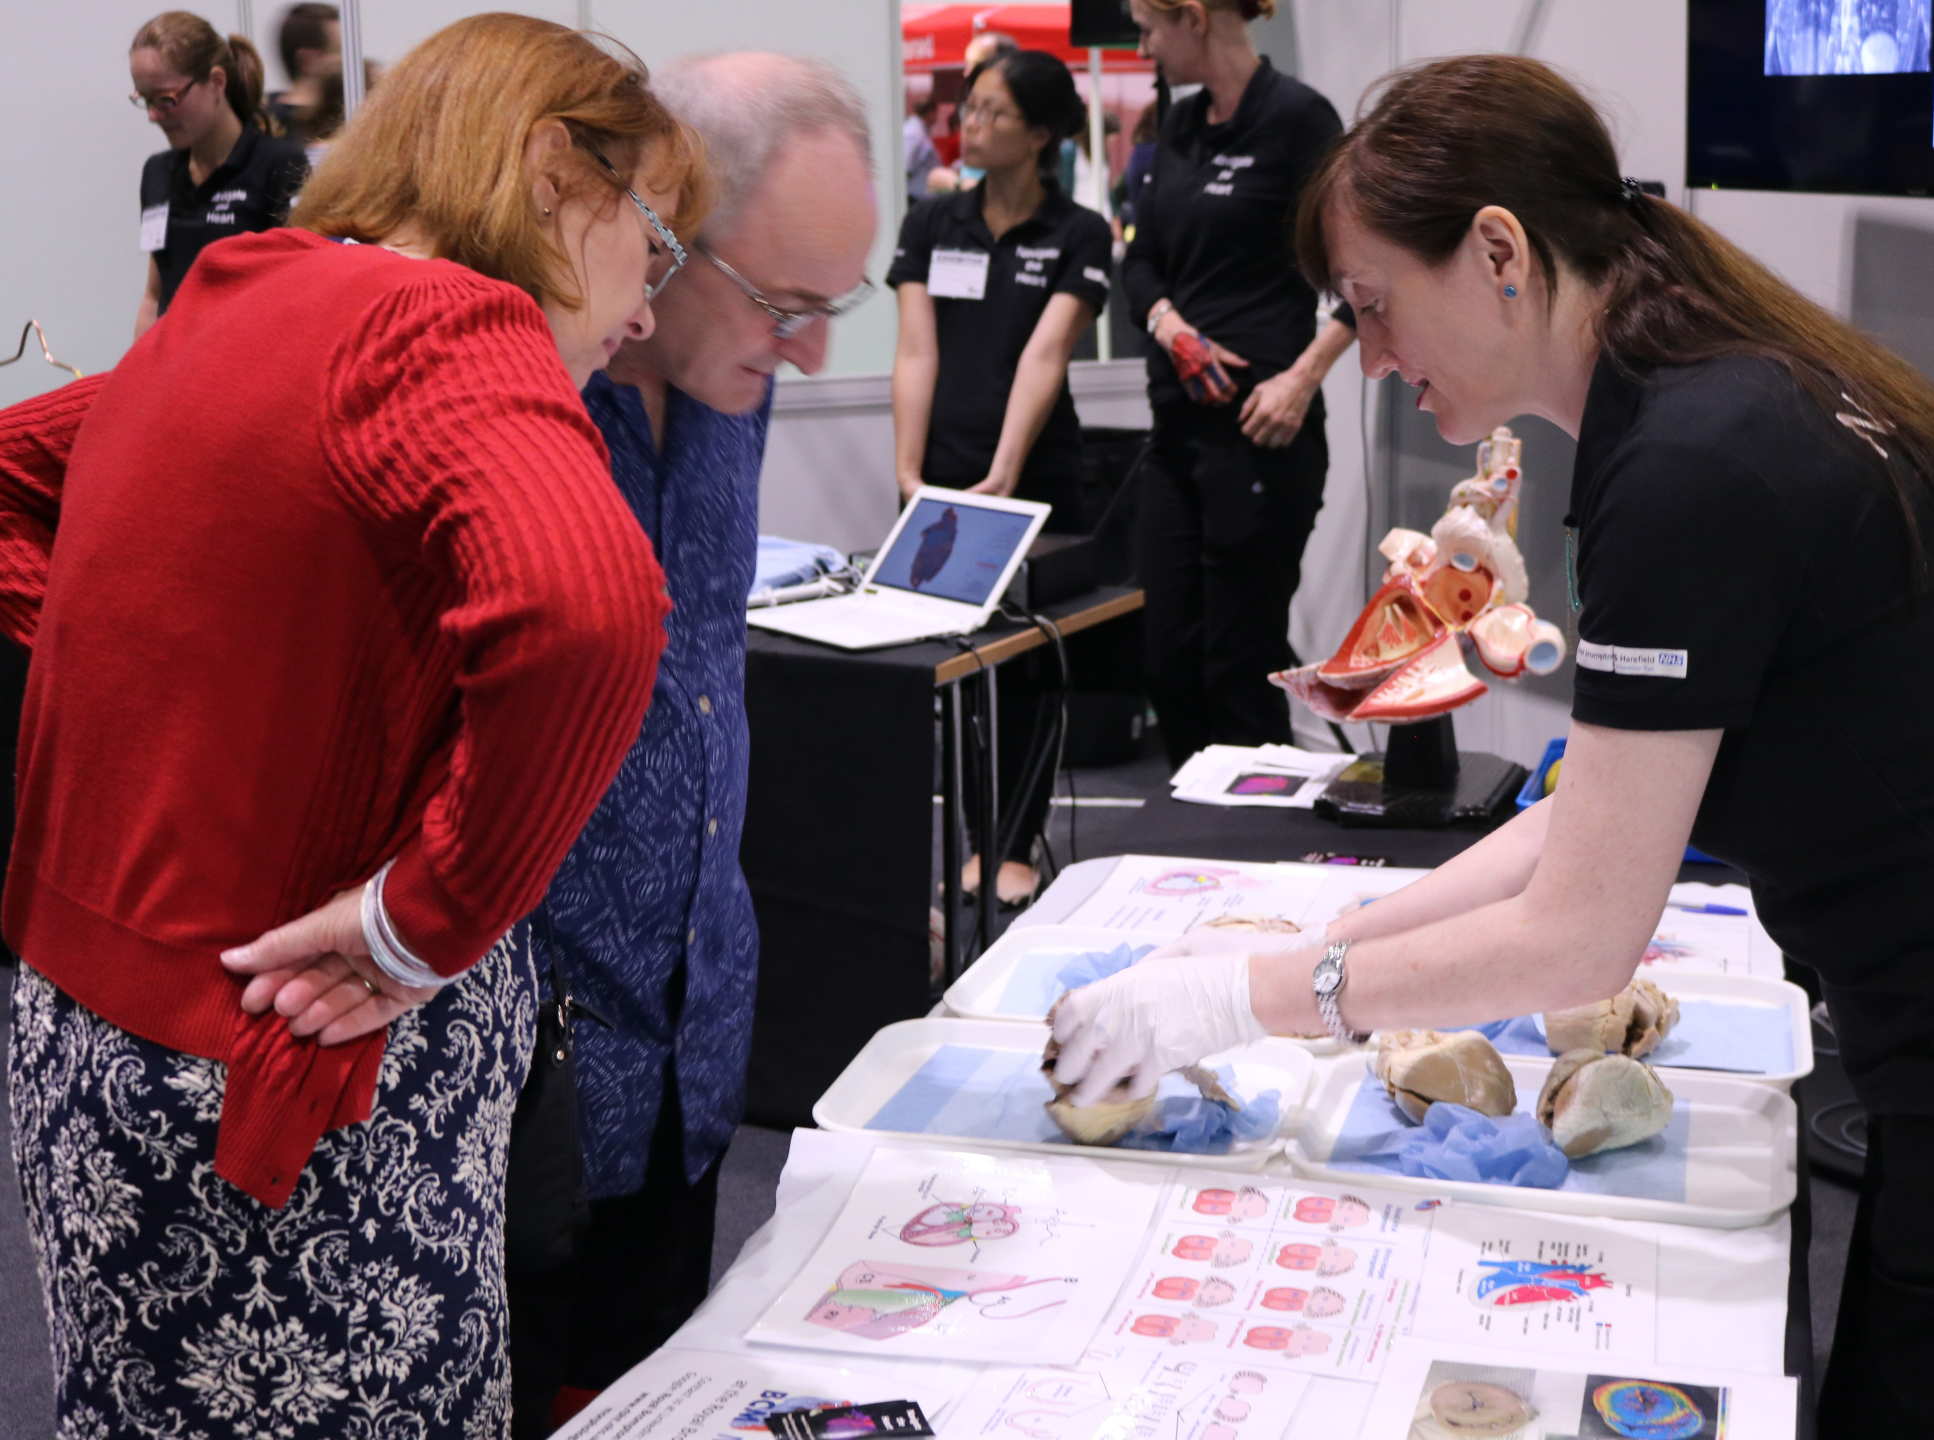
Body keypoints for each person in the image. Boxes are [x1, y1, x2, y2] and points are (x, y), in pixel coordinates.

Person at [1048, 53, 1934, 1435]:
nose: (1372, 359)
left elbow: (1578, 937)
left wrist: (1242, 1002)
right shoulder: (1702, 392)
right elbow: (1589, 819)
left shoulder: (1691, 464)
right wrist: (1339, 939)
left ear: (1499, 254)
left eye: (1372, 308)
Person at [2, 14, 705, 1435]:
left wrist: (170, 677)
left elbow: (17, 472)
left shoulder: (241, 293)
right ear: (549, 172)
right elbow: (589, 609)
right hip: (291, 1080)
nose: (644, 309)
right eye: (655, 241)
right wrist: (421, 921)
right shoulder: (446, 332)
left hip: (86, 1045)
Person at [506, 53, 876, 1437]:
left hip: (693, 1027)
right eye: (785, 306)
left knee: (661, 1397)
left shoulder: (729, 371)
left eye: (831, 308)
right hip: (525, 1070)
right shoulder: (516, 393)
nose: (809, 354)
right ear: (656, 232)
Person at [890, 48, 1113, 907]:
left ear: (1040, 133)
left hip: (1036, 478)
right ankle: (960, 841)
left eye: (992, 112)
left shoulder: (1078, 232)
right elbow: (917, 350)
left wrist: (1005, 472)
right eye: (968, 109)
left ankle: (1011, 846)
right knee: (948, 668)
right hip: (937, 481)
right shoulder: (932, 222)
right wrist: (909, 470)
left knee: (1025, 667)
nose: (970, 125)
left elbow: (1045, 355)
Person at [1121, 0, 1357, 769]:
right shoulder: (1179, 126)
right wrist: (1172, 329)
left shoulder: (1298, 120)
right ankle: (1195, 828)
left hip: (1262, 436)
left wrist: (1302, 378)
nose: (1143, 46)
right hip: (1176, 436)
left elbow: (1369, 269)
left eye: (1148, 27)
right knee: (1167, 663)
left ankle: (1257, 833)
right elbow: (1141, 262)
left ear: (1192, 17)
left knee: (1237, 669)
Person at [131, 10, 309, 337]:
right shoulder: (157, 173)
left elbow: (301, 293)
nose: (153, 115)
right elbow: (154, 297)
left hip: (248, 355)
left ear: (216, 82)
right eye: (145, 100)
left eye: (166, 99)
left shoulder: (279, 164)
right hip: (176, 360)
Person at [267, 2, 343, 154]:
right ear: (309, 60)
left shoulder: (350, 111)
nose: (349, 62)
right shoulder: (267, 127)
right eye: (339, 51)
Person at [906, 89, 941, 199]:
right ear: (930, 113)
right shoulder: (913, 133)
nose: (937, 117)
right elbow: (906, 167)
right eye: (936, 113)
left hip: (920, 194)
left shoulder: (919, 131)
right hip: (914, 195)